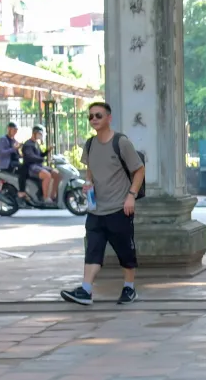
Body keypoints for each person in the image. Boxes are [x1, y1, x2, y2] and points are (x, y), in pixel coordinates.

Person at [61, 103, 145, 306]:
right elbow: (90, 168)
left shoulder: (121, 142)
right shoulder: (90, 144)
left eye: (98, 115)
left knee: (125, 251)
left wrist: (131, 195)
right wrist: (88, 182)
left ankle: (129, 287)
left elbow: (139, 169)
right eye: (90, 117)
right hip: (96, 210)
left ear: (109, 118)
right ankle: (86, 290)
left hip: (119, 208)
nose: (94, 119)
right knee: (93, 250)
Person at [19, 125, 57, 201]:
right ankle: (45, 198)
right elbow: (31, 157)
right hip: (31, 167)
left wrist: (47, 151)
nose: (40, 136)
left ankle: (53, 196)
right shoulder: (28, 144)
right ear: (34, 133)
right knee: (47, 175)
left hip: (38, 166)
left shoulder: (36, 143)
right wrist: (41, 159)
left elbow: (40, 155)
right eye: (39, 134)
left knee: (56, 173)